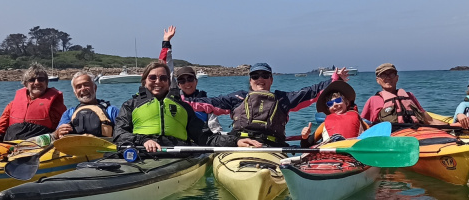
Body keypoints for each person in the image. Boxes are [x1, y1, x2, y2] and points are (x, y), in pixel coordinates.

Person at [185, 63, 346, 147]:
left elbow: (310, 92)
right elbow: (208, 104)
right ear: (250, 80)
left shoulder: (282, 99)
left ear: (271, 79)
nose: (260, 79)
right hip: (240, 144)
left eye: (265, 75)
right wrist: (178, 100)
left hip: (273, 146)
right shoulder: (237, 97)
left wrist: (334, 80)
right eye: (255, 76)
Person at [113, 61, 255, 152]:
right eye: (152, 78)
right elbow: (119, 134)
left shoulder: (184, 108)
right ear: (144, 81)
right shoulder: (130, 105)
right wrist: (143, 141)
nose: (158, 81)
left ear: (169, 83)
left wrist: (236, 141)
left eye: (163, 78)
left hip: (176, 155)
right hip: (141, 153)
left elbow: (206, 138)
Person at [156, 25, 226, 134]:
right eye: (182, 81)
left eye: (190, 79)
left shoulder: (206, 102)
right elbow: (166, 68)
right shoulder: (175, 97)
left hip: (201, 142)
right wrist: (166, 42)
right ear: (178, 84)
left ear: (196, 81)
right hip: (180, 143)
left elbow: (215, 128)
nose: (187, 83)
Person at [0, 63, 67, 141]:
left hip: (38, 147)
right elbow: (0, 128)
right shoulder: (12, 105)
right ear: (26, 84)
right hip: (11, 146)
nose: (37, 82)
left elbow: (62, 128)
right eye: (32, 80)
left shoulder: (55, 106)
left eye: (41, 79)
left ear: (46, 83)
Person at [360, 63, 447, 125]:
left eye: (392, 74)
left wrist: (453, 126)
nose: (388, 78)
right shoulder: (373, 100)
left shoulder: (409, 96)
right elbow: (363, 125)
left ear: (397, 78)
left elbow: (429, 120)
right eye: (383, 75)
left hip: (416, 133)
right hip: (391, 138)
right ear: (378, 80)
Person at [52, 72, 120, 139]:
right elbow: (58, 135)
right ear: (75, 93)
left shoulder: (112, 111)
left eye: (86, 85)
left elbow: (123, 133)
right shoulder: (69, 113)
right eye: (79, 87)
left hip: (105, 147)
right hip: (77, 148)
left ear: (95, 88)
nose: (83, 89)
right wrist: (57, 133)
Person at [300, 80, 369, 147]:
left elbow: (373, 136)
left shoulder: (359, 120)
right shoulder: (324, 125)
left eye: (338, 100)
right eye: (330, 104)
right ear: (328, 109)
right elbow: (305, 145)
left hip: (353, 154)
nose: (335, 104)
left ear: (347, 102)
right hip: (332, 156)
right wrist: (304, 137)